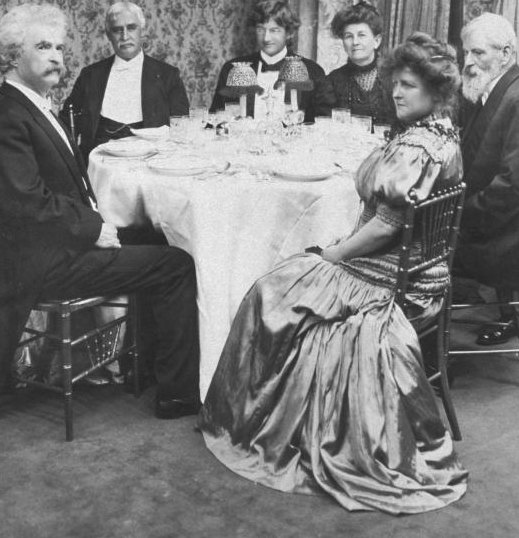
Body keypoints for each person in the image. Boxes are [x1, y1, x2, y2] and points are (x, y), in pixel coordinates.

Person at [199, 36, 468, 515]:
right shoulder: (442, 133)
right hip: (419, 272)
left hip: (387, 279)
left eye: (408, 86)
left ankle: (250, 422)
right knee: (281, 284)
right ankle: (254, 412)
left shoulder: (417, 147)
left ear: (435, 92)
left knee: (272, 291)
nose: (398, 94)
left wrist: (332, 255)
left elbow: (386, 225)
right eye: (396, 85)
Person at [0, 4, 200, 419]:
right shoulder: (5, 117)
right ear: (12, 57)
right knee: (177, 264)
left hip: (53, 248)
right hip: (40, 264)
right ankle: (178, 393)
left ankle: (142, 366)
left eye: (59, 46)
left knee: (158, 238)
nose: (57, 56)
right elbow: (28, 204)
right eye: (43, 47)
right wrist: (94, 229)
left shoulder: (31, 105)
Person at [451, 13, 519, 344]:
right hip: (494, 225)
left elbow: (513, 189)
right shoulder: (497, 90)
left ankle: (426, 347)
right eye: (466, 53)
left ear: (506, 54)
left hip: (505, 239)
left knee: (409, 242)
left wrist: (457, 216)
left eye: (478, 53)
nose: (468, 62)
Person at [61, 1, 189, 158]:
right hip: (100, 158)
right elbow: (67, 121)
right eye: (117, 30)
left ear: (142, 30)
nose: (125, 36)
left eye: (131, 28)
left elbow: (182, 126)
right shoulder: (90, 75)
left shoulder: (168, 75)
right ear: (109, 35)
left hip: (152, 158)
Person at [210, 0, 325, 120]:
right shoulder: (233, 69)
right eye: (261, 30)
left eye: (274, 30)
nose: (266, 38)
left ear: (289, 33)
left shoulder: (312, 71)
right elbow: (216, 118)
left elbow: (321, 125)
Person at [315, 1, 396, 125]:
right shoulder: (331, 82)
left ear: (377, 41)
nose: (355, 42)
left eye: (361, 35)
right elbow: (325, 130)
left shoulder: (393, 77)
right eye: (349, 36)